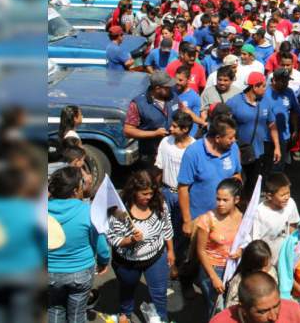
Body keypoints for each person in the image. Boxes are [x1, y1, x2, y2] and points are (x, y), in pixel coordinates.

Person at [105, 169, 175, 323]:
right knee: (128, 289)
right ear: (134, 191)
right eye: (144, 194)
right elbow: (112, 238)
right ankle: (126, 313)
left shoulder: (160, 204)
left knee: (159, 293)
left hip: (156, 257)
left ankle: (161, 319)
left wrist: (170, 251)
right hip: (127, 263)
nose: (148, 197)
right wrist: (130, 240)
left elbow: (167, 227)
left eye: (151, 193)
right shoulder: (120, 211)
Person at [47, 167, 110, 323]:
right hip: (80, 272)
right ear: (75, 190)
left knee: (54, 309)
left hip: (49, 273)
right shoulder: (88, 211)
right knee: (77, 314)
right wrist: (103, 261)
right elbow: (100, 244)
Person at [177, 114, 242, 239]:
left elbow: (236, 173)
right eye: (230, 137)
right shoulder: (193, 153)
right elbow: (183, 188)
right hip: (200, 220)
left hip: (225, 219)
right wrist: (187, 221)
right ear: (217, 138)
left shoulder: (233, 148)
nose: (234, 140)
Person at [196, 178, 244, 318]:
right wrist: (213, 277)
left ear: (236, 200)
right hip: (213, 269)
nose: (220, 203)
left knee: (232, 305)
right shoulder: (207, 219)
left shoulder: (243, 217)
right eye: (218, 199)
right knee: (215, 308)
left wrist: (240, 251)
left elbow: (245, 240)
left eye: (225, 200)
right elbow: (201, 250)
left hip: (234, 268)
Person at [227, 71, 281, 196]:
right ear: (254, 87)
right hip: (237, 153)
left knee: (252, 184)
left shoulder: (265, 102)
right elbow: (223, 124)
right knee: (236, 184)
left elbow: (272, 124)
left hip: (257, 153)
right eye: (263, 86)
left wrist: (277, 147)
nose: (265, 88)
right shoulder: (234, 102)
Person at [154, 110, 194, 265]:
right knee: (164, 227)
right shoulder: (165, 142)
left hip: (186, 196)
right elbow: (159, 167)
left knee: (181, 231)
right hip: (166, 192)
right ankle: (164, 260)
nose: (171, 129)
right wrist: (156, 190)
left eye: (175, 126)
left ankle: (177, 262)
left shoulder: (194, 147)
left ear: (185, 129)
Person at [123, 70, 180, 164]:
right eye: (167, 87)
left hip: (171, 150)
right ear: (157, 88)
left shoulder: (172, 97)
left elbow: (182, 111)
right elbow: (128, 130)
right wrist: (154, 133)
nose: (171, 88)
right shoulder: (138, 104)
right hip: (150, 154)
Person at [210, 271, 300, 323]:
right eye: (263, 311)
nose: (273, 317)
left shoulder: (295, 312)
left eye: (276, 306)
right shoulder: (220, 321)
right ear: (243, 309)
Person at [251, 173, 300, 266]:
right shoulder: (259, 212)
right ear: (269, 196)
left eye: (288, 193)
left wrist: (294, 245)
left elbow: (293, 224)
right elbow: (256, 240)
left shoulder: (291, 204)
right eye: (282, 195)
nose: (287, 197)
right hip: (267, 260)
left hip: (285, 257)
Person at [263, 67, 300, 174]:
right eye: (282, 81)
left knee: (278, 166)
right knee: (264, 166)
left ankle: (274, 189)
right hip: (265, 137)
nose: (286, 83)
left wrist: (294, 129)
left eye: (287, 81)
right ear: (274, 80)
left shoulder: (289, 92)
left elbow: (294, 111)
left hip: (283, 136)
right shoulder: (263, 92)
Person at [223, 241, 277, 309]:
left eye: (266, 265)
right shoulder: (239, 281)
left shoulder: (272, 273)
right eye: (259, 267)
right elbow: (231, 308)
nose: (263, 270)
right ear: (250, 265)